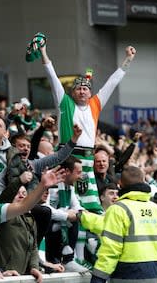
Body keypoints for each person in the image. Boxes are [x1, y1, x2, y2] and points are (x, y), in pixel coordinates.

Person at [38, 40, 136, 213]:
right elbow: (52, 77)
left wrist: (128, 60)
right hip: (66, 158)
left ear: (90, 93)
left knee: (90, 206)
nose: (82, 91)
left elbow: (112, 82)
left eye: (85, 88)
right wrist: (44, 52)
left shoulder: (95, 104)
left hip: (88, 160)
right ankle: (65, 239)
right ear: (72, 92)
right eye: (78, 88)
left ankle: (89, 239)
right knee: (64, 203)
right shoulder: (64, 102)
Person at [91, 166, 157, 283]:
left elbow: (110, 250)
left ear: (120, 184)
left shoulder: (118, 209)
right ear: (144, 180)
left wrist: (98, 278)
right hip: (156, 277)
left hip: (126, 277)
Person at [0, 186, 42, 283]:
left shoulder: (30, 219)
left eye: (24, 193)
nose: (21, 196)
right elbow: (4, 199)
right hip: (1, 275)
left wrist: (34, 267)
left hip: (19, 276)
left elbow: (33, 246)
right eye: (17, 193)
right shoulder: (2, 216)